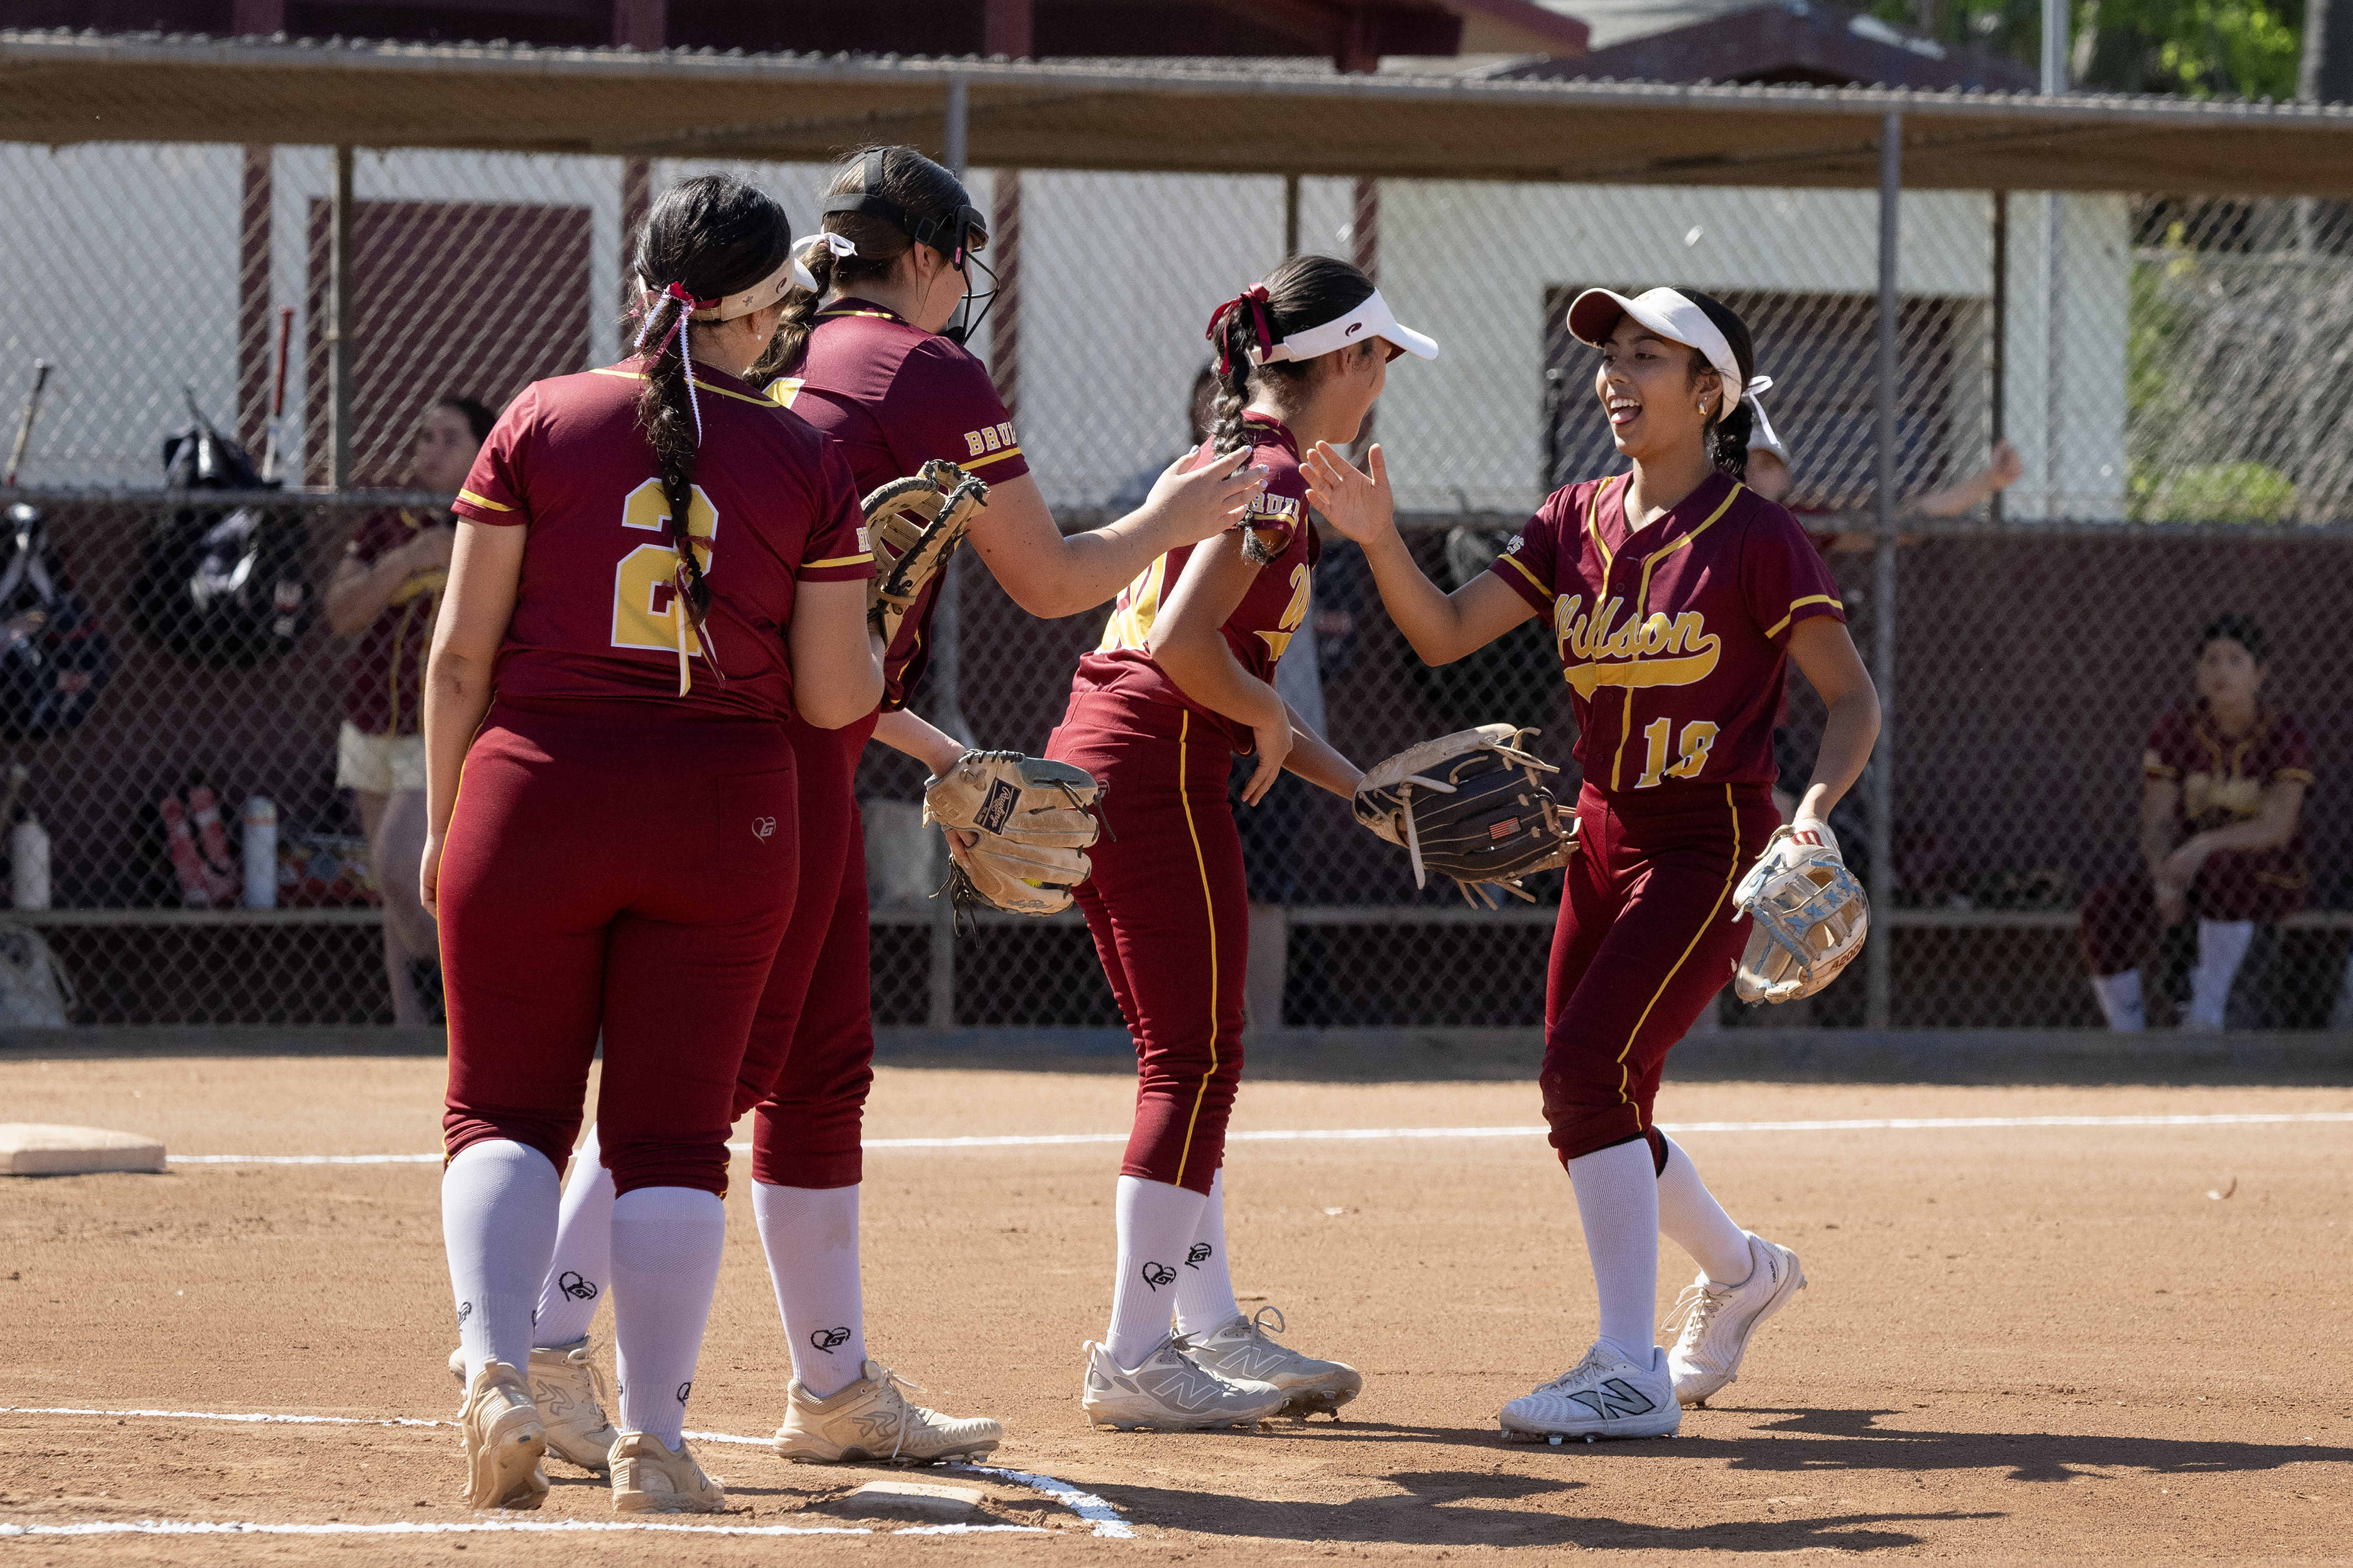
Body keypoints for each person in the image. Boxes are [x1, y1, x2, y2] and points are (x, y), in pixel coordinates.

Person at [514, 144, 1266, 1466]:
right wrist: (1175, 510)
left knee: (813, 1069)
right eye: (956, 258)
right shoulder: (923, 366)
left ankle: (835, 1383)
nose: (961, 284)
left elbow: (812, 632)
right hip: (771, 753)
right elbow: (1047, 578)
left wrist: (931, 743)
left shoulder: (786, 341)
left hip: (747, 719)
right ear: (923, 255)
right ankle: (551, 1339)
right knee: (718, 1078)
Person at [1304, 286, 1880, 1440]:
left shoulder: (1758, 539)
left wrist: (1810, 814)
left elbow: (1849, 699)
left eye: (1647, 359)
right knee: (1589, 1100)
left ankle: (1628, 1369)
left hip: (1707, 842)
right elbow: (1443, 634)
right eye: (1609, 356)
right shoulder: (1572, 518)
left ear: (1709, 393)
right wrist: (1376, 542)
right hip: (1598, 836)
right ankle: (1741, 1268)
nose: (1614, 377)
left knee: (1580, 1077)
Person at [422, 173, 881, 1514]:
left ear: (644, 287)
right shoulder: (806, 457)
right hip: (724, 810)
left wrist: (454, 822)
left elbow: (458, 660)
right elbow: (833, 699)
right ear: (768, 312)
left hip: (538, 791)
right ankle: (654, 1442)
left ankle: (499, 1370)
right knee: (675, 1137)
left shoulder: (542, 418)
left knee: (504, 1108)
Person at [1046, 255, 1436, 1430]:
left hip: (1115, 758)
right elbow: (1181, 644)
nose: (1384, 378)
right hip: (1155, 768)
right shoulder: (1272, 473)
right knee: (1196, 1056)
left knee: (1189, 1052)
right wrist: (1267, 715)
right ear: (1344, 362)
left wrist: (1362, 787)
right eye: (1379, 356)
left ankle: (1203, 1326)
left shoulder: (1237, 462)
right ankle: (1132, 1353)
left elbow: (1212, 664)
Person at [323, 395, 488, 1026]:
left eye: (449, 438)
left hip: (442, 723)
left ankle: (469, 997)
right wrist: (404, 564)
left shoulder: (490, 522)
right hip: (372, 717)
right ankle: (408, 1019)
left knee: (403, 862)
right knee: (386, 877)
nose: (431, 450)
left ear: (481, 447)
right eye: (425, 437)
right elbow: (342, 612)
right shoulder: (387, 524)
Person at [2079, 614, 2313, 1031]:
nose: (2221, 671)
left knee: (2225, 869)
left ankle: (2205, 1018)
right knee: (2105, 907)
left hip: (2265, 875)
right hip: (2188, 873)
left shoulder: (2282, 731)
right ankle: (2128, 1032)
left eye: (2235, 660)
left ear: (2259, 675)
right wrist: (2163, 878)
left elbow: (2277, 825)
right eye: (2211, 660)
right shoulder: (2177, 728)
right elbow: (2157, 819)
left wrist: (2205, 844)